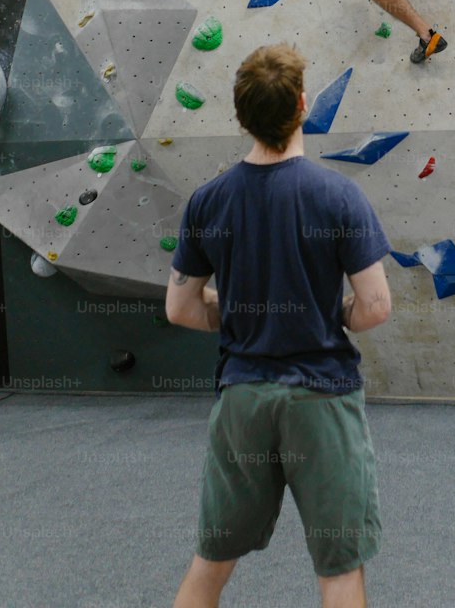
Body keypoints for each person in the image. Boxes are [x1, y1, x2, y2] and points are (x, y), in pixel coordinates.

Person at [165, 43, 392, 608]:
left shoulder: (208, 201)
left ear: (241, 115)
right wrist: (332, 313)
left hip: (242, 401)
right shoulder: (339, 195)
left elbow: (182, 308)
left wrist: (243, 307)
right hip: (321, 398)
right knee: (339, 571)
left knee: (211, 563)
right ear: (302, 104)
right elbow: (375, 306)